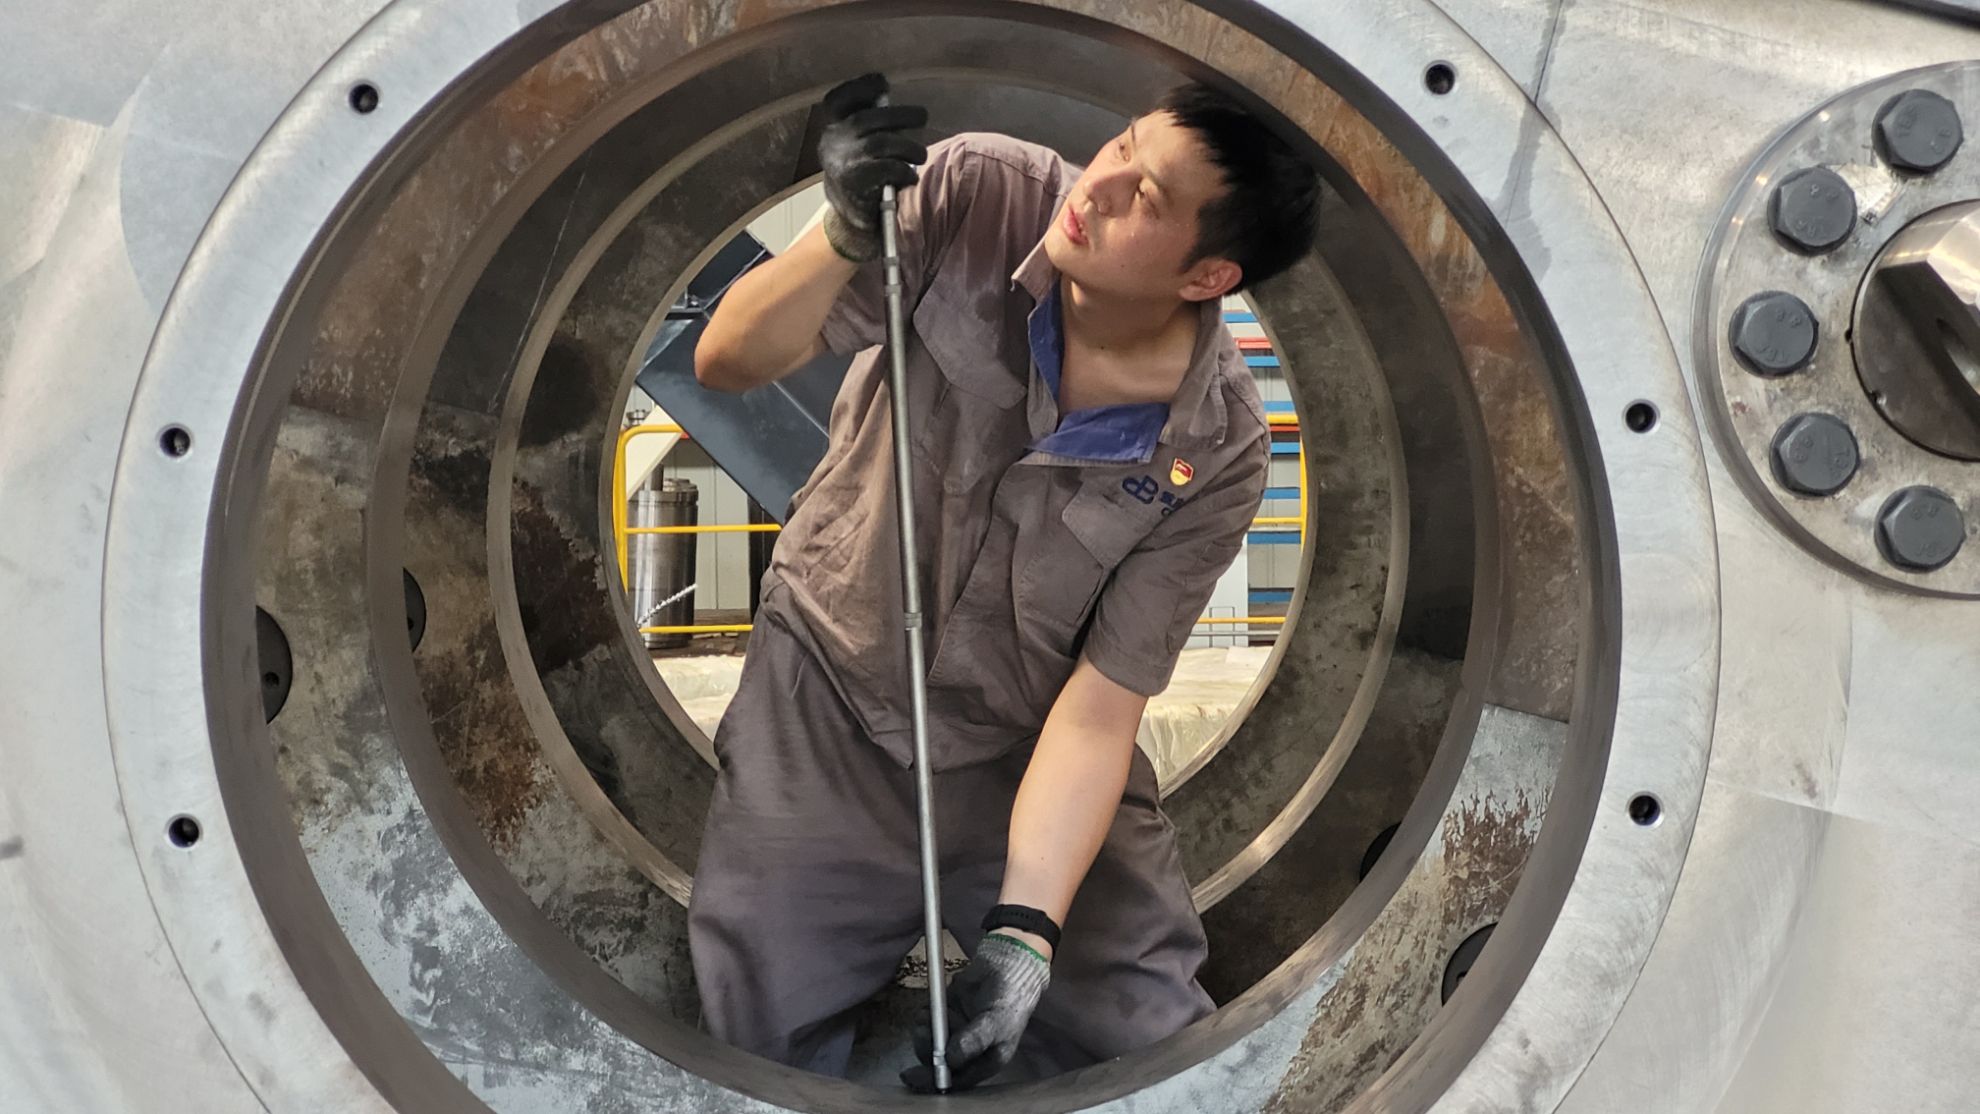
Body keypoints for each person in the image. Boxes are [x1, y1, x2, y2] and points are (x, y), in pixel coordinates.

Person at [687, 73, 1320, 1091]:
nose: (1098, 185)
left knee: (1155, 1050)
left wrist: (1026, 933)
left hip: (1023, 742)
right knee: (758, 1045)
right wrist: (842, 233)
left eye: (1147, 198)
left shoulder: (1217, 448)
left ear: (1208, 274)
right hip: (826, 701)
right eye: (1122, 146)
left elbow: (1102, 706)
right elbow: (724, 358)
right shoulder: (976, 194)